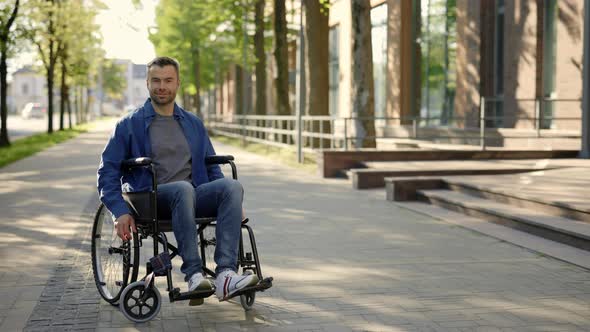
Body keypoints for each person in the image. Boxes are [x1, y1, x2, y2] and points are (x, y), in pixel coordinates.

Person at [97, 56, 258, 303]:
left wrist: (232, 201)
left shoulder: (193, 124)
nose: (162, 86)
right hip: (150, 199)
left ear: (178, 83)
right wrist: (119, 211)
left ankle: (225, 275)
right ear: (147, 84)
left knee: (232, 186)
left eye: (168, 80)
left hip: (192, 196)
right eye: (156, 80)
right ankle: (194, 274)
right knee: (183, 189)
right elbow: (107, 172)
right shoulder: (129, 125)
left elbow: (211, 167)